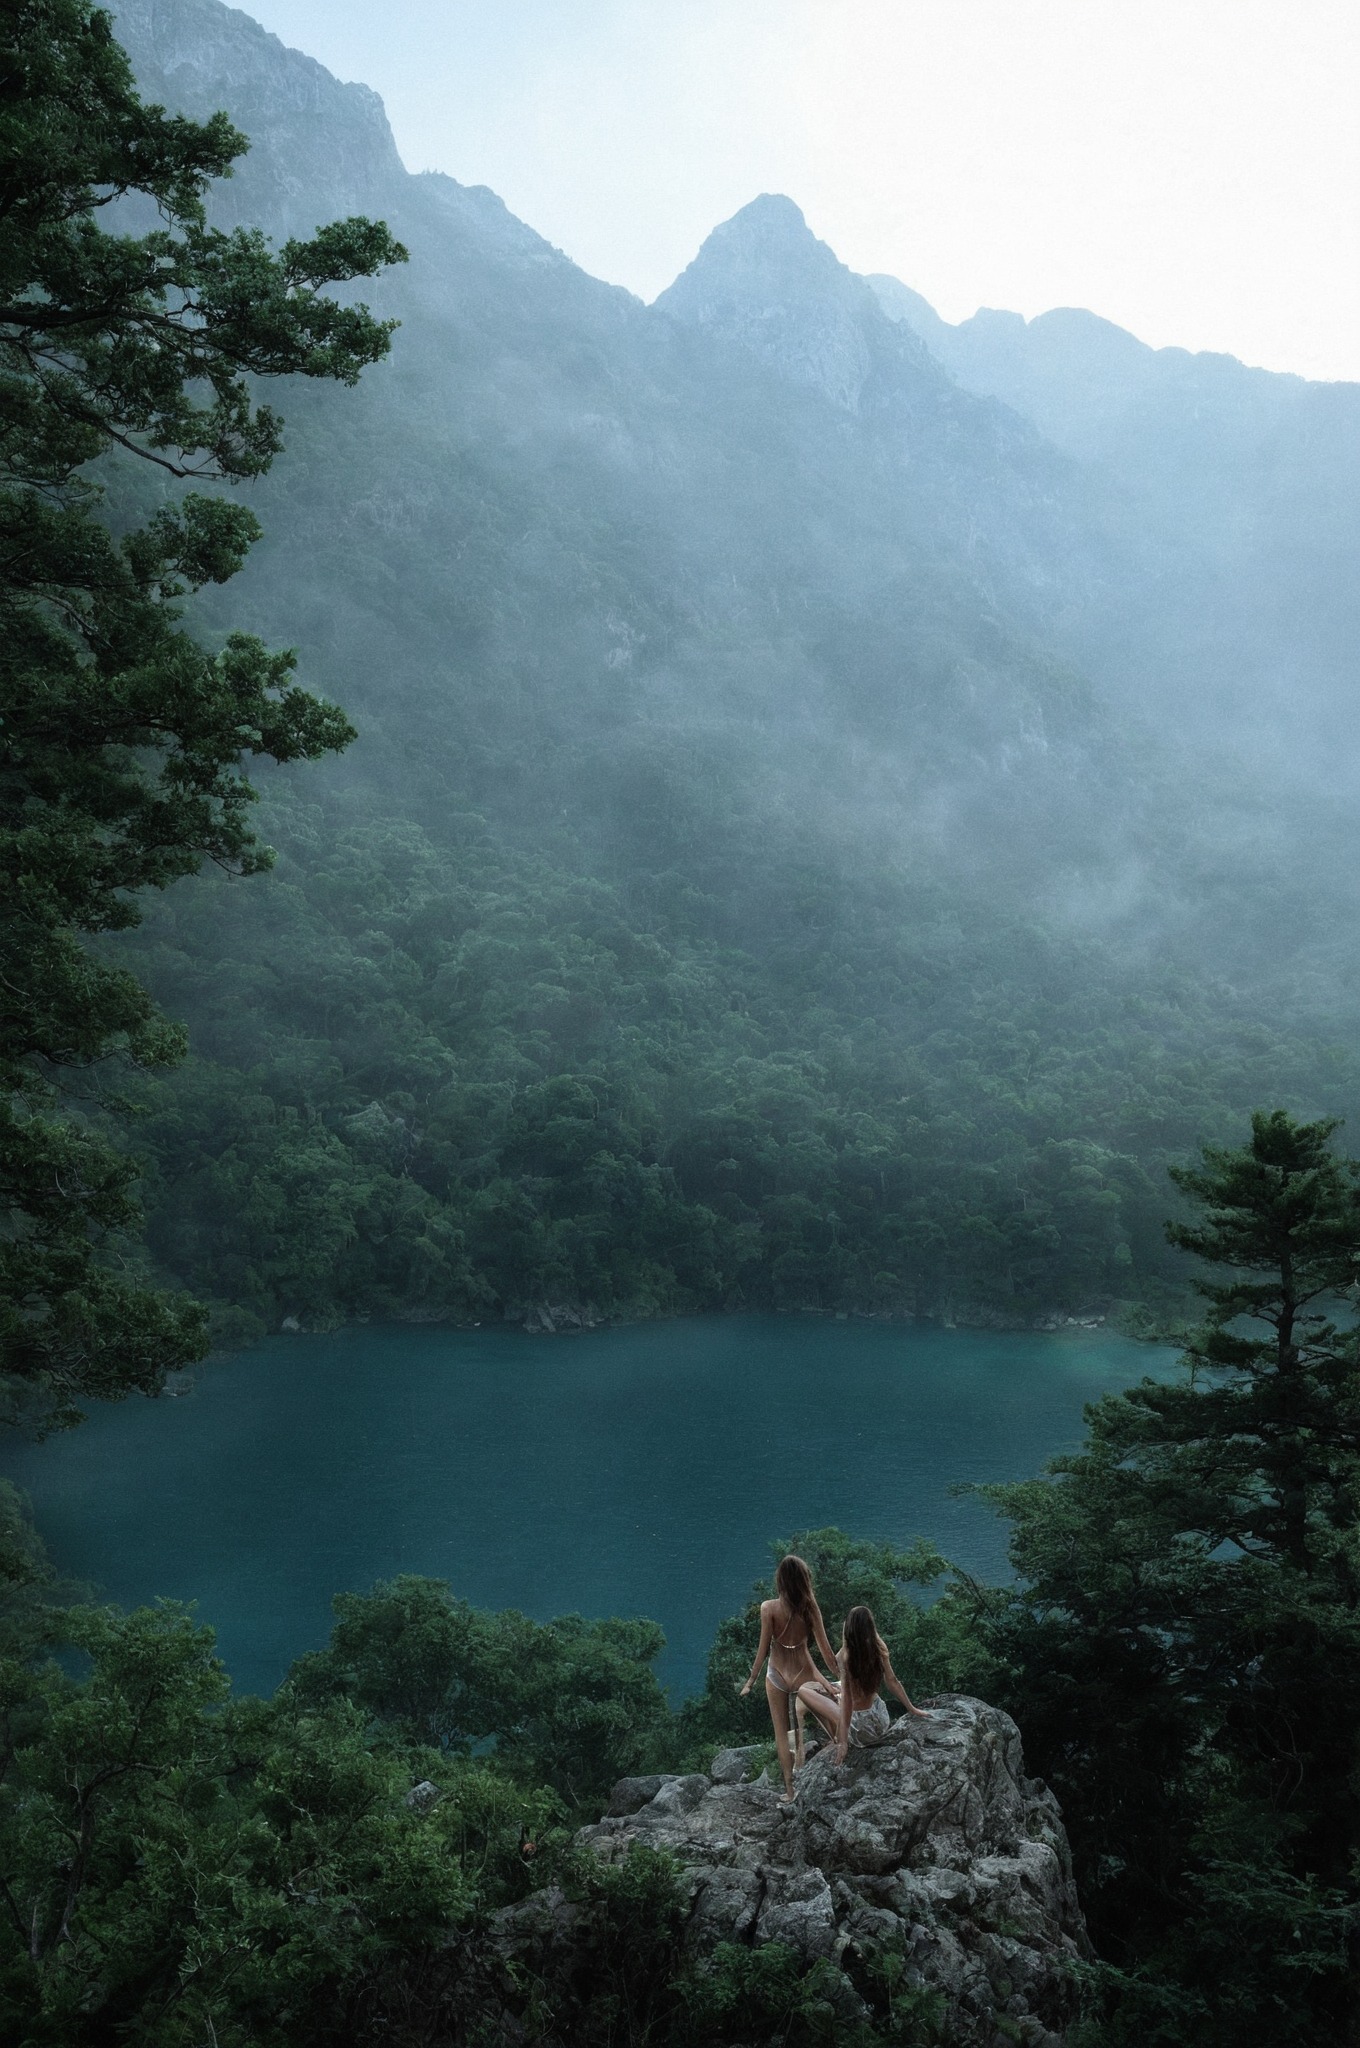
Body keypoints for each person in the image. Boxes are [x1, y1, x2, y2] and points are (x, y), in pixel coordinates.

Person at [737, 1553, 841, 1799]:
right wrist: (841, 1673)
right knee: (824, 1719)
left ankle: (790, 1791)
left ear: (780, 1581)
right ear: (804, 1580)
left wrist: (750, 1681)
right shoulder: (811, 1609)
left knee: (783, 1734)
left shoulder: (768, 1608)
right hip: (804, 1673)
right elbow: (826, 1652)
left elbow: (762, 1651)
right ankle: (841, 1756)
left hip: (777, 1674)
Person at [797, 1603, 931, 1760]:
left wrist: (844, 1742)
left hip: (861, 1728)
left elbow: (847, 1700)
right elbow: (892, 1681)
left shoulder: (845, 1657)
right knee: (831, 1688)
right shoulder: (879, 1648)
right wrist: (912, 1708)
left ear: (848, 1628)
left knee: (803, 1690)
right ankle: (835, 1734)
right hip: (880, 1719)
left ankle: (835, 1737)